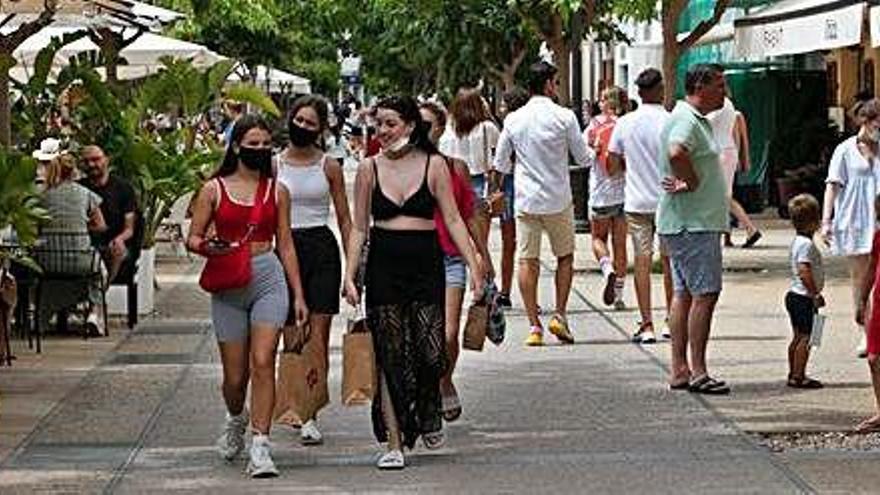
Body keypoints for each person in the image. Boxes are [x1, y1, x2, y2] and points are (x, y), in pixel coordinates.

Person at [342, 96, 483, 470]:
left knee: (431, 351)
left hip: (425, 261)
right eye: (378, 126)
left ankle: (427, 408)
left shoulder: (434, 165)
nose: (382, 133)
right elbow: (359, 227)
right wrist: (350, 274)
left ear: (408, 125)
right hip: (385, 263)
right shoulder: (369, 168)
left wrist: (475, 265)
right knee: (390, 354)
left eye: (389, 124)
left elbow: (453, 219)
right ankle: (394, 440)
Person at [187, 114, 309, 478]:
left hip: (268, 276)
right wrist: (210, 246)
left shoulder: (278, 191)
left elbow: (286, 243)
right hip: (228, 281)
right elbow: (192, 237)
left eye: (265, 144)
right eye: (252, 144)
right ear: (236, 147)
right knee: (235, 378)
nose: (260, 150)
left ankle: (261, 445)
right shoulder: (213, 189)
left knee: (263, 360)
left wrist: (298, 293)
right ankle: (235, 417)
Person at [493, 60, 592, 346]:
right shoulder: (564, 117)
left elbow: (501, 163)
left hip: (526, 199)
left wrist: (499, 189)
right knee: (565, 257)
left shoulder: (513, 119)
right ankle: (559, 315)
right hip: (559, 198)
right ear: (549, 84)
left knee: (527, 259)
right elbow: (583, 158)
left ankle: (534, 326)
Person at [276, 95, 352, 445]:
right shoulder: (274, 165)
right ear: (290, 120)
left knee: (318, 337)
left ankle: (310, 412)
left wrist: (353, 267)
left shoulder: (329, 166)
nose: (302, 127)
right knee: (291, 335)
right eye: (299, 120)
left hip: (322, 249)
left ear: (321, 129)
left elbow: (345, 218)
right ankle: (291, 402)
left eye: (310, 123)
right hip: (284, 250)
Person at [658, 63, 730, 395]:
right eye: (719, 85)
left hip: (686, 222)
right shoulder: (687, 119)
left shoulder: (688, 118)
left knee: (684, 294)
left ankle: (681, 368)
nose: (724, 91)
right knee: (705, 294)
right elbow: (676, 151)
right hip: (694, 223)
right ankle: (697, 370)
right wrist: (692, 180)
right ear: (700, 85)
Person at [420, 101, 494, 423]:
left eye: (430, 124)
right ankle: (422, 389)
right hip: (416, 259)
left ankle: (444, 379)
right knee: (421, 331)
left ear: (441, 128)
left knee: (448, 333)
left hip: (450, 256)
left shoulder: (455, 167)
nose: (424, 131)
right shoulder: (399, 167)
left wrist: (482, 257)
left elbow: (469, 214)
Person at [607, 68, 674, 343]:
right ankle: (672, 319)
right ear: (661, 90)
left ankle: (647, 324)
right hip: (668, 200)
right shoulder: (671, 121)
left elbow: (611, 164)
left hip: (636, 201)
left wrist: (629, 167)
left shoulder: (625, 123)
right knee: (670, 262)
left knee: (642, 261)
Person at [440, 88, 514, 305]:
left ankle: (475, 285)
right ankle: (481, 289)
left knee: (464, 240)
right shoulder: (487, 127)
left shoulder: (449, 131)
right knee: (479, 242)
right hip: (478, 184)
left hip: (452, 185)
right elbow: (500, 159)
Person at [822, 98, 880, 358]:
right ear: (865, 122)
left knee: (877, 280)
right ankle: (864, 332)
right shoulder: (844, 150)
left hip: (878, 220)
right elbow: (832, 185)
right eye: (876, 124)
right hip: (855, 220)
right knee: (860, 280)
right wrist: (826, 221)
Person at [38, 154, 108, 336]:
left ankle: (40, 315)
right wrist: (82, 226)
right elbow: (101, 225)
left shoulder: (41, 195)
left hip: (47, 261)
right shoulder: (85, 194)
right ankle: (94, 313)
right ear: (73, 171)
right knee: (100, 272)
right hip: (80, 260)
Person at [585, 86, 628, 311]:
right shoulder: (624, 124)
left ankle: (606, 268)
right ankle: (619, 294)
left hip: (600, 194)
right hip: (623, 193)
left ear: (608, 102)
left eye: (602, 98)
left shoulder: (593, 126)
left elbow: (584, 155)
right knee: (620, 243)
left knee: (598, 239)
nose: (598, 102)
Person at [708, 96, 761, 248]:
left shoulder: (722, 109)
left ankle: (749, 228)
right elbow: (738, 140)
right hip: (727, 153)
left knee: (723, 197)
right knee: (723, 197)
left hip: (723, 153)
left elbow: (739, 139)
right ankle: (740, 231)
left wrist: (743, 159)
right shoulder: (730, 110)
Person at [784, 193, 825, 389]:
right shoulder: (806, 245)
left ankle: (794, 372)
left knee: (798, 336)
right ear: (813, 222)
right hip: (803, 297)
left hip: (795, 295)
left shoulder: (798, 242)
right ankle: (799, 375)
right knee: (806, 337)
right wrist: (815, 294)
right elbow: (804, 270)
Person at [79, 145, 137, 283]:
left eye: (96, 159)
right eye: (86, 161)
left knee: (117, 249)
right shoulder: (79, 189)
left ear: (106, 160)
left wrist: (120, 239)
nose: (91, 164)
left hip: (113, 242)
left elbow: (129, 229)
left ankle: (104, 289)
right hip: (84, 243)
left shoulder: (123, 188)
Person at [855, 194, 880, 432]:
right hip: (879, 305)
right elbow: (872, 267)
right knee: (874, 359)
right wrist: (862, 300)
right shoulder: (879, 237)